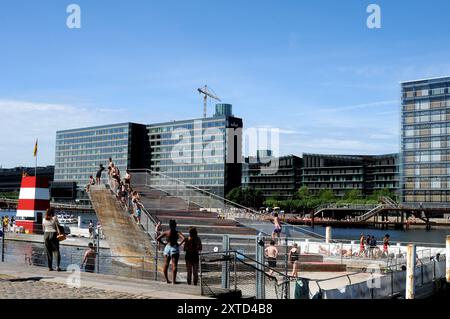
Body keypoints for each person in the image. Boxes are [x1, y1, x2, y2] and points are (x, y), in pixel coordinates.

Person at [156, 220, 185, 284]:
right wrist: (179, 244)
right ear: (175, 225)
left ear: (169, 225)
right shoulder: (177, 232)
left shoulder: (166, 232)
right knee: (174, 265)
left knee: (166, 264)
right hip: (174, 247)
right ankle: (173, 281)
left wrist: (164, 244)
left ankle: (167, 280)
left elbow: (158, 238)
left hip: (167, 248)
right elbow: (184, 238)